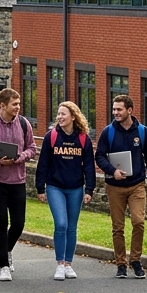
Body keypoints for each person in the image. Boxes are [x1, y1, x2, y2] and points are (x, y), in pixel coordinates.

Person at [95, 95, 147, 279]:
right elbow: (99, 156)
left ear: (129, 110)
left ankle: (136, 260)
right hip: (115, 186)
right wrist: (112, 171)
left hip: (137, 185)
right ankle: (121, 263)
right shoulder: (108, 132)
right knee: (118, 227)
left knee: (138, 222)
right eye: (114, 109)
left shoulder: (142, 131)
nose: (115, 112)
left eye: (119, 109)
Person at [0, 88, 36, 281]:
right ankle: (3, 265)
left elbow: (32, 148)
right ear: (3, 105)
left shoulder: (24, 124)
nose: (18, 108)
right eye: (14, 104)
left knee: (18, 224)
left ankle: (7, 250)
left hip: (17, 179)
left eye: (19, 104)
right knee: (1, 221)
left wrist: (21, 157)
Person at [35, 101, 95, 281]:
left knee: (71, 227)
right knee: (61, 224)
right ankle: (60, 264)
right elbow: (43, 163)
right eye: (58, 114)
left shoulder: (83, 139)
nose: (60, 117)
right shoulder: (51, 136)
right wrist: (40, 188)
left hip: (76, 188)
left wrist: (89, 189)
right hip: (55, 187)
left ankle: (69, 263)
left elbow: (90, 167)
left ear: (73, 117)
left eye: (63, 114)